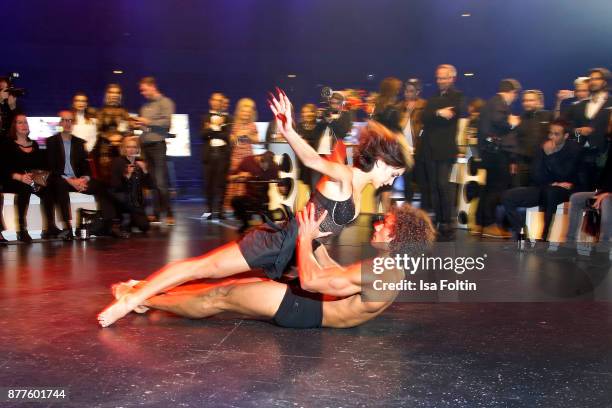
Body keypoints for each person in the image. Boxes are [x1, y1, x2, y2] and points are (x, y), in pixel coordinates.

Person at [97, 89, 407, 327]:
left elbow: (321, 234)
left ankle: (142, 292)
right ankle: (132, 298)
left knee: (220, 291)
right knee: (202, 268)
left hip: (297, 254)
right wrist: (287, 130)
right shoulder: (346, 176)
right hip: (280, 242)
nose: (391, 181)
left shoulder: (358, 188)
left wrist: (319, 256)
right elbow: (313, 160)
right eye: (393, 174)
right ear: (381, 161)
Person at [109, 204, 435, 329]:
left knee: (220, 295)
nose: (377, 225)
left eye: (386, 224)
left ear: (397, 236)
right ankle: (146, 296)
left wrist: (305, 238)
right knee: (221, 292)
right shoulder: (389, 266)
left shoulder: (382, 272)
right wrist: (314, 243)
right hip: (315, 304)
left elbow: (311, 281)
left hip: (306, 310)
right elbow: (335, 275)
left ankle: (141, 298)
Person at [502, 119, 582, 241]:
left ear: (565, 136)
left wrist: (551, 156)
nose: (552, 137)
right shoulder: (543, 147)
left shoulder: (573, 149)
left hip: (563, 190)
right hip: (543, 187)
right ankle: (522, 232)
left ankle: (544, 237)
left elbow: (565, 174)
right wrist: (552, 182)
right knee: (508, 196)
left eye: (556, 134)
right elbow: (535, 174)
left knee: (550, 193)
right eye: (550, 133)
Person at [47, 110, 115, 239]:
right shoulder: (51, 142)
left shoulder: (79, 142)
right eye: (65, 120)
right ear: (60, 122)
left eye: (70, 120)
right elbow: (52, 167)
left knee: (101, 185)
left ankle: (107, 224)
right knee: (60, 185)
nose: (67, 123)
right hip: (62, 180)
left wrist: (84, 179)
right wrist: (70, 180)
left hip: (78, 180)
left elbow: (86, 167)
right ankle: (67, 227)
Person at [421, 64, 464, 240]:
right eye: (438, 78)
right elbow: (424, 117)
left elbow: (453, 114)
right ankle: (438, 220)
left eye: (444, 77)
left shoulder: (458, 96)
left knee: (443, 185)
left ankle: (447, 220)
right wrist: (438, 112)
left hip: (445, 149)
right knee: (434, 187)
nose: (440, 81)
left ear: (452, 78)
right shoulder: (433, 98)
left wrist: (434, 113)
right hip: (430, 149)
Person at [475, 78, 522, 238]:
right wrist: (512, 123)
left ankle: (479, 223)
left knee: (488, 188)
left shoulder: (490, 103)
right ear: (512, 92)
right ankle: (489, 224)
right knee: (496, 189)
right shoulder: (499, 103)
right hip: (497, 154)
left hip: (489, 153)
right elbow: (499, 121)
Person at [0, 115, 59, 242]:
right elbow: (4, 168)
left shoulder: (35, 144)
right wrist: (20, 177)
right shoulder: (7, 144)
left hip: (33, 179)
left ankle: (50, 227)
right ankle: (22, 229)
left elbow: (42, 165)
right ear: (14, 126)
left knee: (48, 189)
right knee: (24, 188)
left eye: (25, 122)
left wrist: (37, 176)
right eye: (20, 123)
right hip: (14, 179)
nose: (24, 125)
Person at [134, 77, 176, 225]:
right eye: (141, 90)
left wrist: (148, 122)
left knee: (161, 182)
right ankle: (157, 214)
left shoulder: (166, 102)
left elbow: (166, 123)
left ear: (152, 87)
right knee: (152, 183)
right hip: (145, 146)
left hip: (158, 145)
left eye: (144, 89)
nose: (143, 92)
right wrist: (139, 125)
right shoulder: (145, 107)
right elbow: (145, 129)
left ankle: (169, 212)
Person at [565, 68, 611, 191]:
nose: (593, 81)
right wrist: (577, 131)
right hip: (581, 157)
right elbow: (563, 126)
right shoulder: (579, 106)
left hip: (604, 157)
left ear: (605, 82)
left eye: (597, 79)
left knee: (601, 194)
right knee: (581, 193)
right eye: (591, 79)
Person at [110, 136, 152, 236]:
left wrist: (145, 170)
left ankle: (131, 219)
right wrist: (127, 176)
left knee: (145, 226)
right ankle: (125, 219)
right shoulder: (117, 162)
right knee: (126, 200)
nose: (131, 149)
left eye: (134, 147)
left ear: (137, 149)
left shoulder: (140, 162)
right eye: (128, 147)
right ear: (124, 148)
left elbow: (150, 185)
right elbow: (115, 185)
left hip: (136, 201)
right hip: (122, 197)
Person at [230, 151, 281, 233]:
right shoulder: (247, 161)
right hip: (249, 198)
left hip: (263, 200)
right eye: (264, 166)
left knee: (272, 228)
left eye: (268, 167)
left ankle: (269, 226)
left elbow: (279, 182)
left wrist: (281, 186)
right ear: (260, 160)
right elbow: (230, 178)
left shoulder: (273, 167)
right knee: (235, 201)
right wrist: (240, 175)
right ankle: (246, 223)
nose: (265, 169)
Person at [223, 98, 259, 213]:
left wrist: (248, 135)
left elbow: (257, 141)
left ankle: (247, 207)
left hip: (248, 157)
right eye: (244, 111)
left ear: (251, 114)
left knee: (246, 182)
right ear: (239, 112)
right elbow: (231, 141)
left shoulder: (253, 125)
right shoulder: (234, 125)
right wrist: (237, 135)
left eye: (248, 112)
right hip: (236, 157)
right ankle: (231, 207)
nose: (246, 114)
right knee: (235, 181)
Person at [201, 92, 233, 220]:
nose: (216, 102)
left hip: (222, 154)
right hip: (209, 154)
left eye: (219, 100)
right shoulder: (205, 117)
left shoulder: (229, 118)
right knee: (208, 184)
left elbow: (227, 137)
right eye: (214, 99)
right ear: (210, 101)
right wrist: (217, 127)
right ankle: (209, 210)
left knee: (221, 184)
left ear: (222, 103)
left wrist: (212, 129)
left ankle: (220, 210)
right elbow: (203, 135)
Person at [515, 90, 553, 187]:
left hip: (544, 162)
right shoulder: (519, 119)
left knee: (542, 192)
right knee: (522, 191)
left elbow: (556, 135)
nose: (527, 103)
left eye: (531, 100)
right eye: (525, 100)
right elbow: (515, 140)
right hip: (523, 163)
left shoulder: (548, 115)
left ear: (539, 102)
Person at [398, 78, 427, 206]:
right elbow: (398, 128)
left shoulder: (424, 106)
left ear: (418, 92)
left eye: (411, 91)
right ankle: (408, 209)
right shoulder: (400, 107)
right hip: (404, 149)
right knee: (407, 181)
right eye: (406, 90)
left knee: (422, 180)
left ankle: (423, 211)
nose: (407, 94)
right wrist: (408, 112)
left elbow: (426, 126)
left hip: (419, 148)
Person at [296, 103, 322, 190]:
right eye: (304, 112)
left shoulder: (320, 127)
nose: (306, 114)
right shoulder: (298, 127)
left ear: (315, 113)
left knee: (316, 187)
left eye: (310, 112)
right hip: (304, 163)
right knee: (308, 187)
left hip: (317, 161)